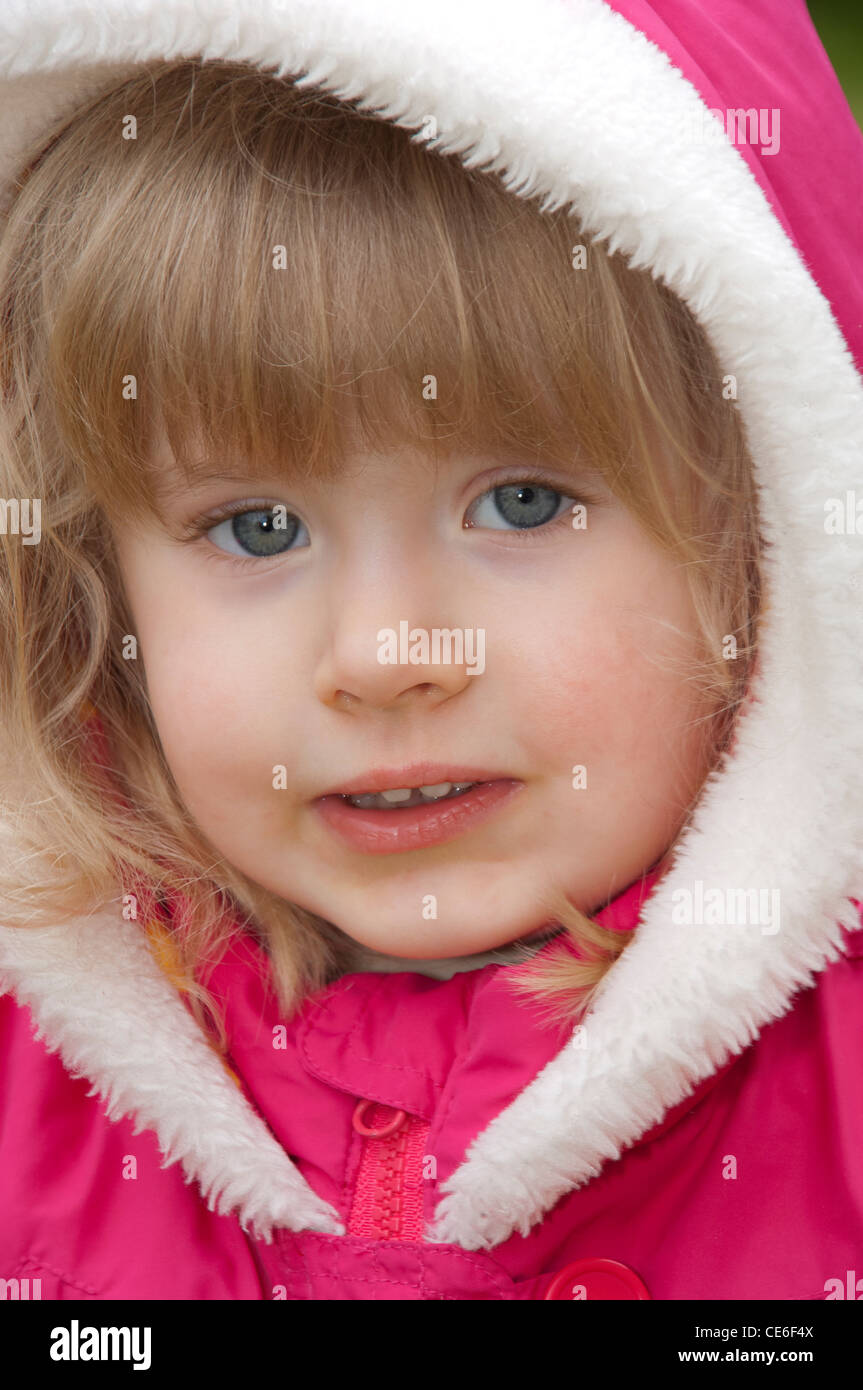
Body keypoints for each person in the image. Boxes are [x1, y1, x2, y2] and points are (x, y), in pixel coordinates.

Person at [0, 0, 861, 1301]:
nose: (388, 654)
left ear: (774, 534)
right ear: (91, 585)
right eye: (256, 525)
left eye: (523, 503)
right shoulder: (35, 1106)